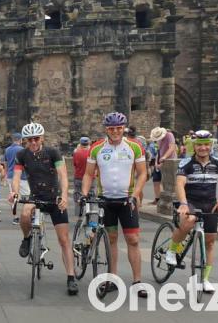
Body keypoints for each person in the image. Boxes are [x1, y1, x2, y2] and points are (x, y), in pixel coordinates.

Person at [81, 112, 149, 298]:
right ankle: (112, 279)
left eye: (119, 128)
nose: (116, 131)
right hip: (106, 201)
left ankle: (137, 281)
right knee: (111, 239)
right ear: (106, 129)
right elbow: (88, 174)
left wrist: (135, 195)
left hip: (127, 200)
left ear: (124, 128)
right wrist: (84, 194)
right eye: (112, 128)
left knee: (133, 240)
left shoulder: (135, 147)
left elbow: (143, 173)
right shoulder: (96, 149)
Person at [9, 122, 78, 295]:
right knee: (25, 214)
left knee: (64, 240)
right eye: (29, 140)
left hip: (54, 197)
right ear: (25, 141)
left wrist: (64, 195)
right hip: (36, 196)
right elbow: (16, 176)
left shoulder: (53, 152)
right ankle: (26, 239)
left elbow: (63, 175)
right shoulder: (21, 154)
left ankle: (71, 277)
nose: (33, 142)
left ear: (42, 138)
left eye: (36, 139)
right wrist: (15, 193)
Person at [165, 130, 218, 293]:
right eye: (199, 145)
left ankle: (205, 279)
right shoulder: (186, 163)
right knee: (189, 221)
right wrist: (183, 203)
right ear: (194, 146)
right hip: (190, 202)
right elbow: (180, 184)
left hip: (210, 204)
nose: (203, 148)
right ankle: (172, 250)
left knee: (210, 241)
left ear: (210, 145)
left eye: (206, 144)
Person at [3, 132, 28, 225]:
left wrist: (5, 175)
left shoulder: (7, 150)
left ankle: (15, 217)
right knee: (27, 196)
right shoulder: (22, 149)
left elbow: (5, 163)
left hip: (10, 175)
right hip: (21, 175)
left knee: (14, 196)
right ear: (20, 140)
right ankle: (27, 214)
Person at [150, 126, 177, 205]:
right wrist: (156, 162)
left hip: (169, 160)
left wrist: (164, 158)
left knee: (167, 182)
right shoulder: (158, 140)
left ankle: (168, 200)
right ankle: (157, 199)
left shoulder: (169, 135)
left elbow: (172, 148)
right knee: (156, 180)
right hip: (160, 159)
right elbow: (159, 151)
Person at [72, 137, 91, 211]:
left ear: (80, 143)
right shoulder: (91, 152)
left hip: (78, 176)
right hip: (90, 178)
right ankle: (90, 212)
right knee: (91, 194)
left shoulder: (76, 152)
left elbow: (75, 164)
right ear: (88, 143)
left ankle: (78, 211)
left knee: (77, 193)